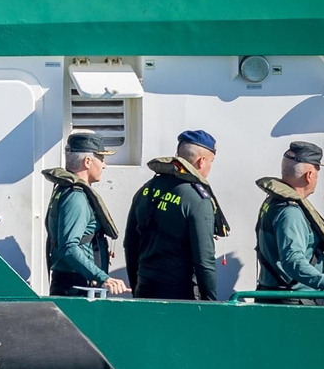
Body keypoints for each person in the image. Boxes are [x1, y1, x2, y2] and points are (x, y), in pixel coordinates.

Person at [124, 129, 229, 301]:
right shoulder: (197, 199)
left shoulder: (146, 189)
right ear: (202, 161)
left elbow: (130, 244)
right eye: (211, 162)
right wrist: (211, 302)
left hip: (145, 289)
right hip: (181, 296)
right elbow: (205, 261)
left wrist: (136, 287)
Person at [253, 142, 324, 304]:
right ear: (309, 175)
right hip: (292, 302)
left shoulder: (274, 202)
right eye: (317, 172)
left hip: (279, 298)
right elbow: (292, 260)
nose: (316, 178)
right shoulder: (290, 212)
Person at [42, 131, 127, 296]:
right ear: (88, 161)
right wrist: (103, 278)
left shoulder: (64, 190)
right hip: (78, 286)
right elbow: (68, 247)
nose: (104, 165)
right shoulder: (76, 197)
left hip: (74, 282)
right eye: (101, 159)